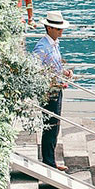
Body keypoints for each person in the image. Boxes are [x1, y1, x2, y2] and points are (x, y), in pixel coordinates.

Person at [34, 11, 72, 171]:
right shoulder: (42, 47)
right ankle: (48, 161)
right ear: (49, 28)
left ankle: (51, 160)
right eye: (57, 29)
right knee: (50, 125)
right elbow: (35, 68)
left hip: (57, 88)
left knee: (54, 125)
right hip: (49, 90)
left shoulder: (53, 45)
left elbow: (54, 65)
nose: (60, 31)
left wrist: (64, 72)